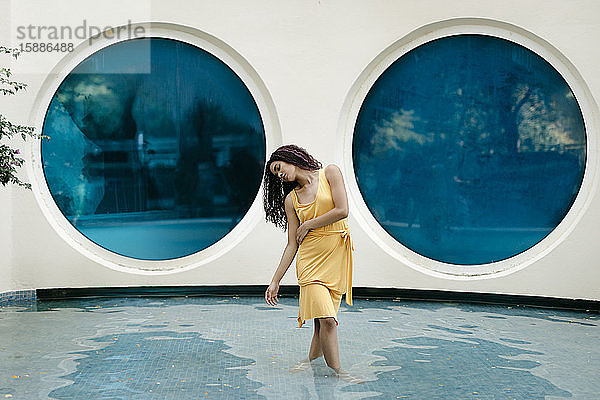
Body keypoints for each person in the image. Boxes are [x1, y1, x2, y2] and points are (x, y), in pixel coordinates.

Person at [263, 144, 362, 383]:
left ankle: (309, 362)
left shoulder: (330, 173)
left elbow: (343, 210)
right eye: (276, 175)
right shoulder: (292, 200)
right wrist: (275, 281)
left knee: (321, 323)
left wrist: (308, 224)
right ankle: (339, 373)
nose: (280, 174)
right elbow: (291, 245)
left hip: (337, 258)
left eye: (279, 168)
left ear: (289, 158)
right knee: (328, 320)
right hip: (310, 263)